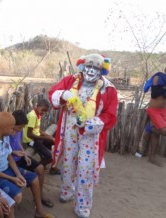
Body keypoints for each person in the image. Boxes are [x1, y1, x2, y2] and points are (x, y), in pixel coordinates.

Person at [48, 53, 118, 218]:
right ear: (82, 66)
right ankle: (67, 191)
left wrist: (90, 123)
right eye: (89, 66)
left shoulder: (109, 89)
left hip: (91, 135)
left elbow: (110, 115)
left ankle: (83, 205)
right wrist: (63, 94)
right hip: (70, 129)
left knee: (86, 169)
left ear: (102, 70)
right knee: (68, 162)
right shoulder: (70, 80)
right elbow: (53, 93)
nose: (91, 70)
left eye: (96, 67)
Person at [0, 111, 55, 218]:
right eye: (12, 128)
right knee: (18, 196)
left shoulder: (4, 136)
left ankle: (39, 211)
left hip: (8, 168)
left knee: (34, 179)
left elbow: (9, 156)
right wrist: (12, 178)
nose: (14, 131)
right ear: (5, 127)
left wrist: (18, 174)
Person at [10, 110, 53, 208]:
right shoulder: (7, 133)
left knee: (40, 168)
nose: (21, 130)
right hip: (12, 161)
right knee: (32, 176)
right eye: (19, 127)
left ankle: (40, 195)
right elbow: (5, 152)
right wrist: (14, 152)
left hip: (20, 157)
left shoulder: (19, 131)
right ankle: (36, 196)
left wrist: (24, 154)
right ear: (12, 124)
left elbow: (18, 143)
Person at [22, 99, 60, 175]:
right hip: (31, 141)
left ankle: (50, 166)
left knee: (54, 144)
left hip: (36, 138)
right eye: (43, 110)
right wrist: (46, 138)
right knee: (50, 156)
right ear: (37, 106)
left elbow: (38, 130)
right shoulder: (32, 116)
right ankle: (36, 169)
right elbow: (29, 134)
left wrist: (49, 137)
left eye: (45, 111)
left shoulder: (37, 114)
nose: (44, 112)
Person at [142, 67, 166, 167]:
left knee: (156, 134)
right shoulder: (158, 78)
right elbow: (154, 94)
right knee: (164, 131)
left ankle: (152, 158)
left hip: (164, 110)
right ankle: (151, 128)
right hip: (154, 110)